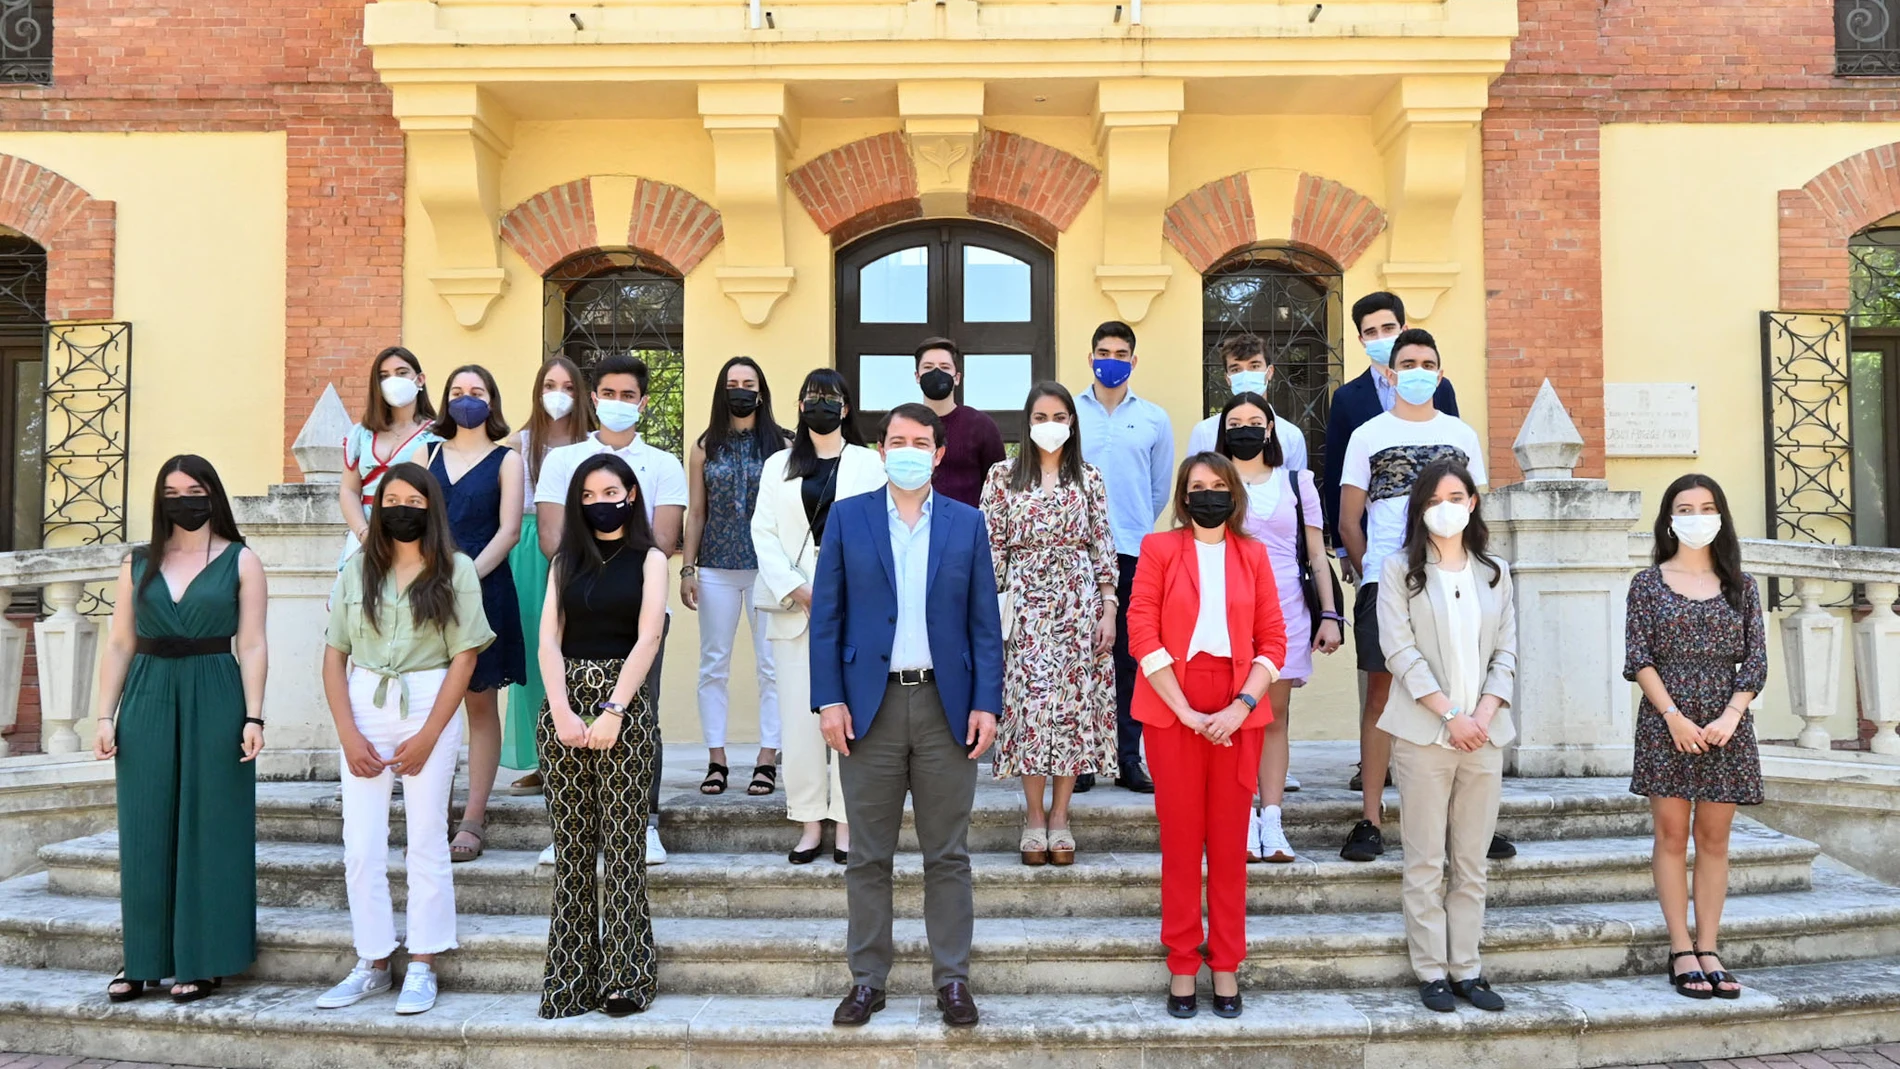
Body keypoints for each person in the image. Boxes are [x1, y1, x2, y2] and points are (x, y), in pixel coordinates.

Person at [809, 402, 1004, 1030]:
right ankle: (867, 980)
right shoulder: (847, 518)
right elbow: (827, 619)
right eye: (897, 440)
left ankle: (953, 980)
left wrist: (986, 703)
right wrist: (829, 698)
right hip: (870, 709)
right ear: (882, 449)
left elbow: (984, 625)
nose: (909, 449)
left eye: (921, 441)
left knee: (947, 854)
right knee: (868, 855)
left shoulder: (967, 524)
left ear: (940, 453)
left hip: (947, 709)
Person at [317, 462, 494, 1016]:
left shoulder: (457, 570)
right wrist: (347, 733)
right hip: (364, 703)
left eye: (413, 501)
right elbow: (333, 657)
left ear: (431, 508)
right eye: (390, 498)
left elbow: (465, 658)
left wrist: (430, 734)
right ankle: (371, 961)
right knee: (361, 845)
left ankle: (422, 963)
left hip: (427, 700)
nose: (401, 509)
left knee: (425, 840)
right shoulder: (356, 571)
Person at [92, 456, 268, 1005]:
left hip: (217, 690)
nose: (183, 500)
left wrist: (254, 715)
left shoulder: (242, 561)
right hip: (146, 692)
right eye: (171, 491)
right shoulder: (137, 561)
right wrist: (104, 714)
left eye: (194, 490)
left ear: (213, 494)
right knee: (144, 826)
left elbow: (254, 643)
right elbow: (120, 642)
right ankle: (142, 960)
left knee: (212, 824)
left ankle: (205, 958)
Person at [1127, 452, 1284, 1020]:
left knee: (1227, 846)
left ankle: (1226, 964)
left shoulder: (1254, 554)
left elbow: (1273, 641)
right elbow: (1141, 629)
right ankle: (1182, 966)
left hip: (1239, 703)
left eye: (1218, 486)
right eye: (1198, 487)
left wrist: (1242, 705)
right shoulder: (1160, 549)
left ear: (1234, 494)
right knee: (1180, 843)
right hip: (1173, 702)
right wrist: (1186, 710)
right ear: (1183, 494)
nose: (1208, 494)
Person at [1335, 328, 1486, 864]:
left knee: (1458, 694)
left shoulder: (1462, 434)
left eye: (1428, 362)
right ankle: (1370, 819)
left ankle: (1469, 821)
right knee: (1381, 697)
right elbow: (1349, 517)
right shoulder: (1367, 435)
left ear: (1440, 374)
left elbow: (1475, 512)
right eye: (1408, 362)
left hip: (1453, 582)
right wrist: (1367, 572)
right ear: (1391, 374)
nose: (1418, 370)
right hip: (1386, 581)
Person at [1375, 458, 1517, 1014]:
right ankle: (1432, 971)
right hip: (1422, 734)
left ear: (1473, 504)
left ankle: (1468, 970)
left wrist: (1481, 714)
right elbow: (1400, 651)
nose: (1446, 508)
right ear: (1420, 510)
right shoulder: (1398, 571)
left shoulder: (1495, 573)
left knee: (1472, 860)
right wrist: (1449, 715)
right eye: (1434, 500)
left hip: (1484, 735)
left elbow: (1506, 650)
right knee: (1426, 859)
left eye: (1456, 497)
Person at [535, 353, 688, 864]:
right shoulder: (561, 460)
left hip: (638, 607)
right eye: (608, 394)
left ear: (643, 403)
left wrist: (621, 571)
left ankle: (643, 822)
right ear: (592, 398)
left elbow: (663, 538)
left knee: (641, 714)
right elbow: (553, 538)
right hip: (576, 601)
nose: (617, 404)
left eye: (629, 396)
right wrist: (587, 574)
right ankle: (569, 829)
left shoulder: (664, 464)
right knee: (569, 714)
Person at [536, 453, 669, 1018]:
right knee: (571, 853)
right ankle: (568, 981)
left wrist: (614, 708)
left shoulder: (652, 558)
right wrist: (563, 712)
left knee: (621, 848)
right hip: (563, 708)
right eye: (587, 496)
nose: (599, 503)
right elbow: (548, 641)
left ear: (631, 494)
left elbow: (649, 637)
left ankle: (626, 978)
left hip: (625, 709)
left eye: (609, 491)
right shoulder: (565, 561)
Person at [1627, 474, 1765, 1001]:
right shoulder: (1647, 583)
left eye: (1706, 507)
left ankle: (1709, 947)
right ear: (1668, 519)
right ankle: (1680, 947)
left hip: (1726, 726)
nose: (1696, 515)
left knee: (1713, 840)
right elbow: (1638, 657)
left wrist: (1732, 714)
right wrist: (1673, 717)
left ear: (1721, 516)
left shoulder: (1742, 585)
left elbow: (1755, 659)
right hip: (1668, 722)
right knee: (1669, 834)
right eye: (1685, 507)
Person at [979, 382, 1118, 866]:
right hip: (1025, 606)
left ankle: (1062, 816)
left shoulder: (1090, 478)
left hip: (1079, 604)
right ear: (1027, 422)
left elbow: (1102, 544)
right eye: (1040, 417)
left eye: (1059, 416)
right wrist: (988, 613)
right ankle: (1034, 817)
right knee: (1031, 709)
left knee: (1072, 711)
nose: (1050, 425)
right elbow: (991, 547)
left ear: (1072, 423)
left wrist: (1109, 606)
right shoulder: (1002, 477)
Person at [751, 369, 885, 865]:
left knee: (849, 718)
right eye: (811, 397)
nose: (820, 405)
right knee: (799, 721)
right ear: (799, 404)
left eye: (830, 397)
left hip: (855, 609)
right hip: (796, 609)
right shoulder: (777, 465)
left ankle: (847, 823)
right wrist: (798, 588)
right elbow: (763, 533)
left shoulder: (869, 464)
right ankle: (809, 822)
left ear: (846, 408)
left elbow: (878, 531)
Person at [1213, 394, 1343, 863]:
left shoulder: (1297, 481)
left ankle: (1272, 818)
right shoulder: (1212, 475)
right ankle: (1241, 816)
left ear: (1270, 428)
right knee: (1233, 716)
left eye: (1254, 421)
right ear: (1223, 429)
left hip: (1285, 607)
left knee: (1272, 717)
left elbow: (1315, 555)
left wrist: (1329, 615)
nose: (1245, 428)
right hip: (1224, 607)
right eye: (1235, 421)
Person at [426, 365, 525, 863]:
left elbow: (508, 531)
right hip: (423, 595)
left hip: (482, 593)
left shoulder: (508, 460)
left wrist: (464, 579)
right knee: (427, 705)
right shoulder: (427, 456)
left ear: (493, 400)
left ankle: (473, 816)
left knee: (479, 705)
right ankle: (431, 809)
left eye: (477, 391)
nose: (467, 399)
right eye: (457, 392)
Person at [1075, 320, 1173, 794]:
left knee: (1129, 658)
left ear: (1133, 361)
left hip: (1133, 550)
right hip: (1075, 552)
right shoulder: (1069, 415)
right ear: (1090, 357)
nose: (1110, 359)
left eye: (1119, 352)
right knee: (1081, 654)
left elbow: (1158, 490)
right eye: (1102, 351)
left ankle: (1127, 758)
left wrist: (1131, 528)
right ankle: (1084, 757)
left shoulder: (1153, 418)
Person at [682, 356, 787, 797]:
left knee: (772, 667)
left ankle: (768, 756)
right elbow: (697, 512)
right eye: (732, 383)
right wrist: (688, 567)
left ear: (761, 391)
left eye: (748, 382)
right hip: (717, 569)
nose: (740, 389)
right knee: (713, 665)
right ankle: (717, 758)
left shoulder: (783, 444)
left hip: (769, 570)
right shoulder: (706, 445)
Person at [503, 356, 597, 796]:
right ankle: (544, 758)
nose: (557, 394)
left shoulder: (594, 446)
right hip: (527, 554)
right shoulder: (517, 444)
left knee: (583, 652)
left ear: (580, 395)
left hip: (583, 549)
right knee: (535, 655)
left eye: (567, 386)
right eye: (549, 384)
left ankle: (588, 752)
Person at [1319, 293, 1459, 566]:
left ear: (1403, 329)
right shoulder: (1347, 398)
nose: (1381, 337)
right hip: (1373, 542)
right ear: (1361, 340)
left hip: (1440, 536)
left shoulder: (1439, 387)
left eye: (1388, 328)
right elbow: (1337, 471)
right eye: (1371, 332)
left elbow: (1454, 460)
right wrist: (1344, 547)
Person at [337, 346, 439, 569]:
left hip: (415, 531)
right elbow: (349, 490)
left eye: (402, 373)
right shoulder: (361, 433)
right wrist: (365, 534)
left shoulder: (438, 435)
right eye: (384, 376)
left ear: (419, 379)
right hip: (363, 536)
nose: (393, 381)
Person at [1184, 334, 1310, 469]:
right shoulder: (1204, 432)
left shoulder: (1291, 436)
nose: (1245, 375)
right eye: (1236, 369)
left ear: (1270, 372)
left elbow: (1297, 487)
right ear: (1227, 378)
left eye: (1254, 366)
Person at [912, 336, 1006, 509]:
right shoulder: (905, 426)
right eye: (928, 367)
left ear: (957, 377)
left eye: (944, 367)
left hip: (967, 530)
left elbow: (998, 487)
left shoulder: (981, 426)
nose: (936, 372)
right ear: (917, 376)